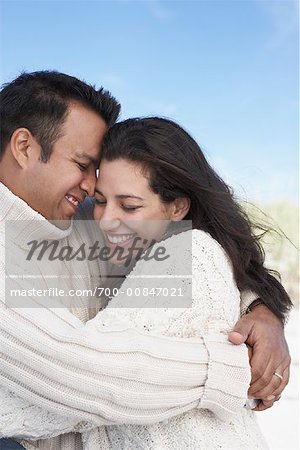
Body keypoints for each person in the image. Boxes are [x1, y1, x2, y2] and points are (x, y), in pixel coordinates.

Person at [0, 72, 291, 450]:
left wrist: (262, 309)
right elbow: (74, 371)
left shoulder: (86, 216)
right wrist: (236, 368)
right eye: (82, 163)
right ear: (23, 147)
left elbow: (204, 245)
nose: (91, 188)